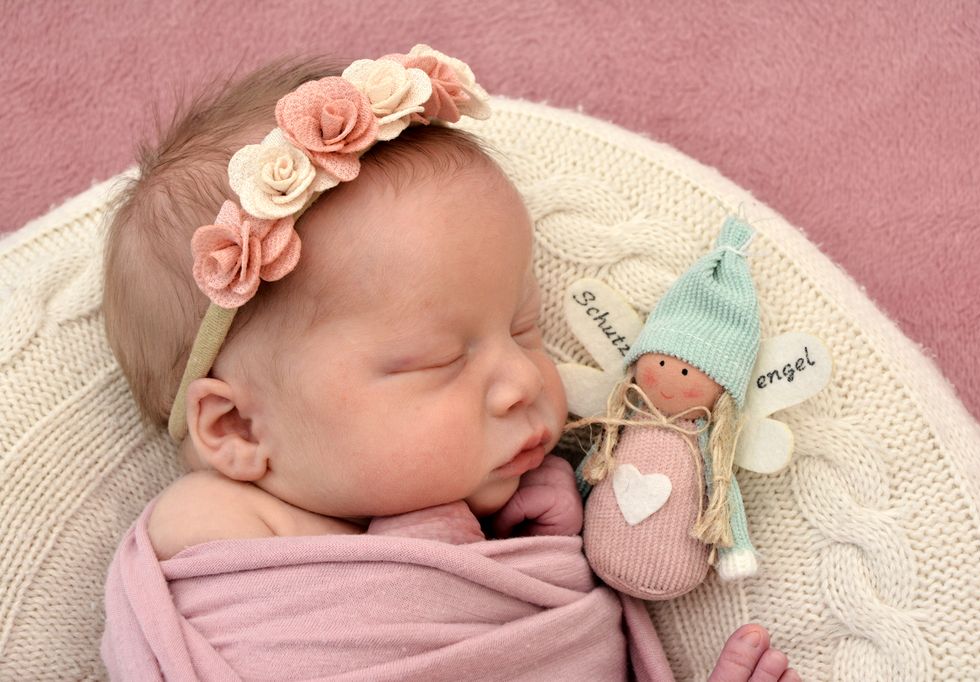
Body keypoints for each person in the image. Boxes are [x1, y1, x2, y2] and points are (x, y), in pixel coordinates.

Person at [100, 46, 800, 681]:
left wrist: (543, 547)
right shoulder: (210, 526)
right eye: (438, 361)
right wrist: (429, 545)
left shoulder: (496, 503)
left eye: (523, 328)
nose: (523, 380)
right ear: (237, 429)